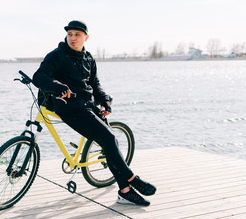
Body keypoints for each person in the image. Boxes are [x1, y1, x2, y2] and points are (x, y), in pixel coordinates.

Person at [32, 20, 156, 206]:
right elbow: (39, 76)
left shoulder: (88, 58)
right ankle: (131, 177)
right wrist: (56, 86)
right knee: (108, 138)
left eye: (77, 35)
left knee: (110, 141)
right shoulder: (57, 55)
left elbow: (95, 84)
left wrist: (104, 101)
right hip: (70, 108)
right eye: (70, 34)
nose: (73, 38)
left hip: (88, 106)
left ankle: (125, 192)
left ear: (85, 37)